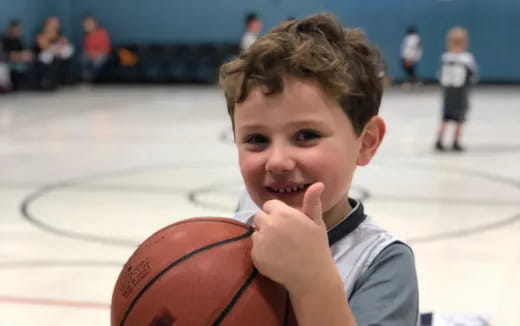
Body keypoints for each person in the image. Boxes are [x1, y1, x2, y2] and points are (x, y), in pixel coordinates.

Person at [220, 14, 418, 325]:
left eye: (306, 135)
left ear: (366, 142)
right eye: (256, 139)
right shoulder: (235, 226)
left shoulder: (382, 263)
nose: (278, 161)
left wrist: (312, 281)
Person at [435, 27, 478, 152]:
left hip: (448, 92)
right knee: (459, 118)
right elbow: (473, 75)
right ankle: (456, 141)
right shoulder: (467, 58)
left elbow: (440, 75)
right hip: (461, 92)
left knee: (445, 118)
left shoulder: (445, 57)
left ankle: (439, 140)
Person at [1, 20, 34, 90]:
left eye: (19, 29)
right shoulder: (5, 40)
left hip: (20, 61)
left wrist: (24, 55)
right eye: (16, 29)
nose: (18, 31)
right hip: (8, 62)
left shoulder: (19, 40)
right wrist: (19, 56)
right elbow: (8, 55)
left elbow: (25, 52)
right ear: (11, 29)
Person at [81, 15, 111, 82]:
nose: (87, 26)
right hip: (91, 56)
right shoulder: (87, 36)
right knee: (84, 59)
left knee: (98, 61)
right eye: (86, 24)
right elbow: (86, 50)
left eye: (90, 24)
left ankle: (97, 80)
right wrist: (91, 54)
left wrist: (97, 54)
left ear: (95, 24)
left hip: (103, 55)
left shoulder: (102, 33)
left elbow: (106, 48)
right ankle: (87, 80)